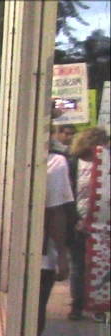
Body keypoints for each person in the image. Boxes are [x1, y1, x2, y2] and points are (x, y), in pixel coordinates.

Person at [32, 142, 75, 336]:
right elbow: (57, 211)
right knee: (33, 318)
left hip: (7, 250)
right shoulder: (55, 163)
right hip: (39, 254)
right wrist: (61, 254)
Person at [68, 127, 109, 321]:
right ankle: (78, 305)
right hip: (78, 221)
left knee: (98, 264)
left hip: (101, 224)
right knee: (78, 265)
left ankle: (96, 304)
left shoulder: (106, 165)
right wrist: (75, 219)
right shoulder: (73, 163)